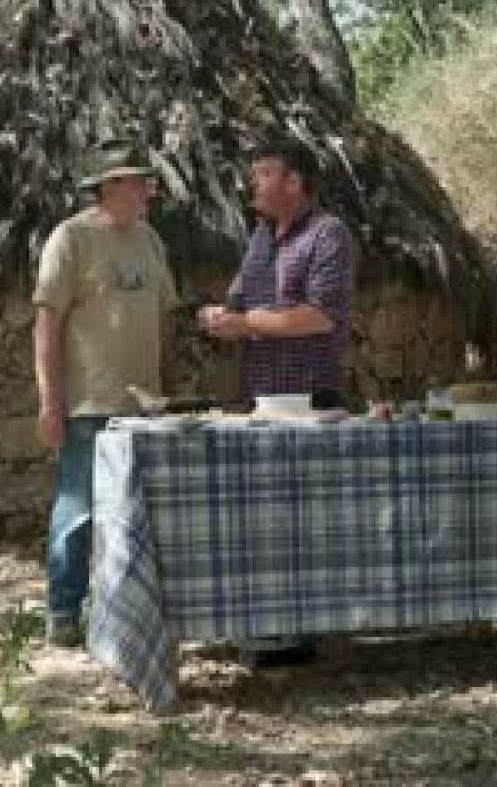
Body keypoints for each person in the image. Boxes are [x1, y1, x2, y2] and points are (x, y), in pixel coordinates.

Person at [198, 137, 356, 666]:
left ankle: (304, 634)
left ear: (294, 182)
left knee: (309, 517)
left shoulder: (328, 235)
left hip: (311, 399)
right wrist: (219, 317)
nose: (253, 183)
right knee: (261, 517)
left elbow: (319, 316)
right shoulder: (260, 239)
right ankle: (265, 631)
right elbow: (243, 302)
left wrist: (246, 324)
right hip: (264, 399)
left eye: (264, 173)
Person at [32, 138, 178, 648]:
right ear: (110, 186)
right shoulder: (69, 240)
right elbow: (46, 327)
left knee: (140, 510)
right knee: (80, 508)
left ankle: (127, 610)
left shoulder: (151, 241)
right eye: (138, 181)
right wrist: (51, 403)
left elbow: (161, 317)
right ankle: (63, 610)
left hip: (145, 405)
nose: (148, 190)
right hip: (88, 404)